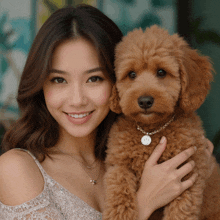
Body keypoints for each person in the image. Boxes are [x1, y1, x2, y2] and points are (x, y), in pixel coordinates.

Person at [0, 4, 214, 220]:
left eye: (94, 79)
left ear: (117, 83)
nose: (77, 100)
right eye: (59, 80)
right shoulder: (16, 169)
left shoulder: (137, 161)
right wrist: (143, 204)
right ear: (40, 85)